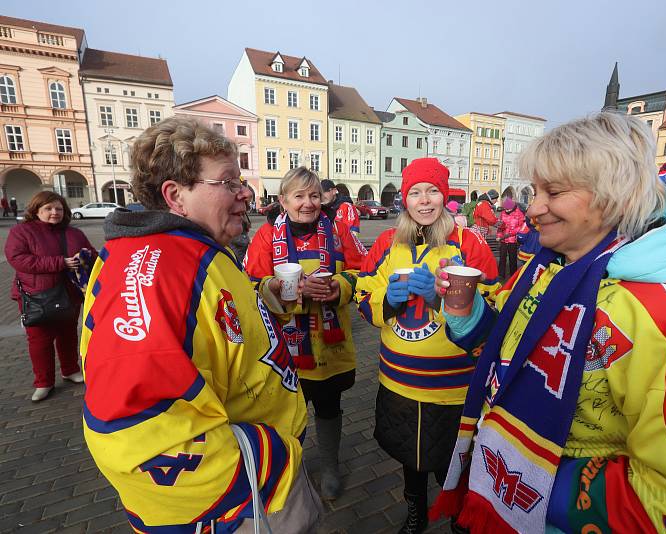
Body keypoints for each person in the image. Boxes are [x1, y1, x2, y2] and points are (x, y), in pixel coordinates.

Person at [430, 112, 666, 533]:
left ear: (616, 195)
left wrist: (536, 475)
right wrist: (467, 312)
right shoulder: (547, 264)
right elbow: (504, 359)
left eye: (553, 191)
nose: (533, 208)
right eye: (535, 191)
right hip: (498, 501)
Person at [81, 117, 317, 532]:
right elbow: (134, 431)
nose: (246, 193)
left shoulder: (189, 247)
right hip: (237, 505)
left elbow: (208, 324)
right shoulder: (159, 273)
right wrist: (268, 461)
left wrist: (265, 299)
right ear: (175, 195)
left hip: (257, 484)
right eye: (228, 182)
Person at [356, 158, 500, 534]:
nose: (424, 200)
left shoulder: (469, 243)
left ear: (444, 195)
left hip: (452, 389)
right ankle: (416, 515)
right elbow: (362, 294)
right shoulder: (388, 242)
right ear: (405, 199)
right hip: (399, 383)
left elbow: (495, 309)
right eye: (415, 192)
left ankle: (460, 519)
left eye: (432, 191)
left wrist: (443, 300)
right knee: (410, 458)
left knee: (451, 464)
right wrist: (388, 300)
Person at [245, 167, 365, 501]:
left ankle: (329, 468)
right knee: (287, 418)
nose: (308, 203)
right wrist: (291, 290)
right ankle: (292, 476)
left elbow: (364, 272)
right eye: (299, 196)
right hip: (285, 351)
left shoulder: (340, 230)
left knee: (329, 408)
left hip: (330, 350)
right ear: (283, 200)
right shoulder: (266, 237)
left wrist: (339, 287)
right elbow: (251, 285)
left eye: (314, 195)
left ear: (324, 197)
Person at [4, 191, 96, 402]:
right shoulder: (22, 232)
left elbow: (91, 252)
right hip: (37, 296)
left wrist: (88, 257)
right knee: (39, 340)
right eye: (48, 208)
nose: (54, 212)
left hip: (69, 293)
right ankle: (43, 382)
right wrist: (60, 263)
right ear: (36, 210)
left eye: (59, 209)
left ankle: (70, 369)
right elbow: (18, 259)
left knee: (68, 334)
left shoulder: (74, 233)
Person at [496, 197, 526, 278]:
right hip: (503, 240)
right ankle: (501, 275)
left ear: (512, 207)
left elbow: (521, 227)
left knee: (513, 259)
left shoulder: (519, 214)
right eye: (505, 209)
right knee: (502, 258)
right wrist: (499, 236)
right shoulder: (502, 213)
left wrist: (511, 233)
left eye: (508, 209)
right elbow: (500, 226)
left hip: (513, 240)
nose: (507, 210)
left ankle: (513, 275)